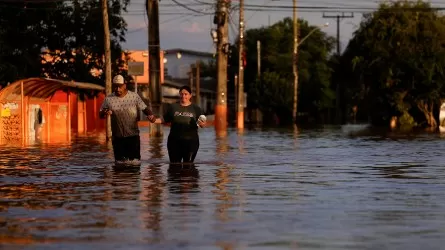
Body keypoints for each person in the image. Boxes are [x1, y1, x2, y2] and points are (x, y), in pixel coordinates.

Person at [99, 74, 156, 165]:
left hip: (133, 137)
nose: (118, 89)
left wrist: (151, 116)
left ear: (124, 85)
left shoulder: (134, 96)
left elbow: (145, 108)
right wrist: (105, 112)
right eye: (115, 86)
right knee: (119, 165)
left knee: (135, 164)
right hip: (118, 138)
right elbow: (100, 114)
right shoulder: (109, 99)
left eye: (120, 86)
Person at [154, 86, 206, 164]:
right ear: (179, 94)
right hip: (174, 141)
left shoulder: (196, 108)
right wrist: (153, 120)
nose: (183, 96)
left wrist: (202, 124)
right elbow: (164, 119)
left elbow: (202, 123)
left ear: (190, 95)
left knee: (188, 168)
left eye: (186, 94)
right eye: (181, 94)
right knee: (174, 167)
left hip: (191, 142)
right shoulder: (173, 107)